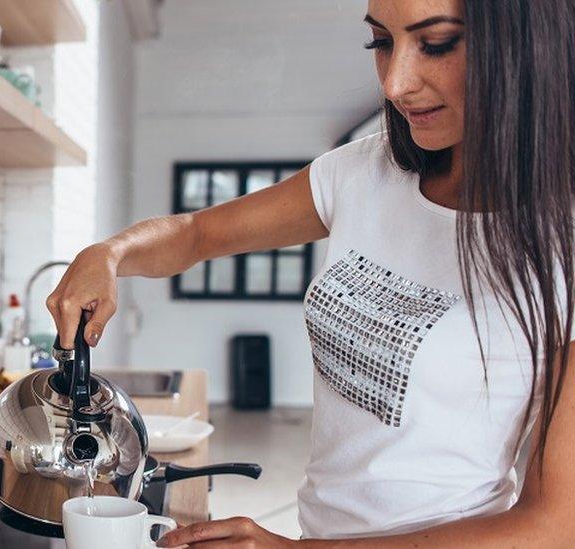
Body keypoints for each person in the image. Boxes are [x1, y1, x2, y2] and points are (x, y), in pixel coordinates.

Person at [46, 0, 575, 546]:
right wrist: (108, 253)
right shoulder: (365, 172)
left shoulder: (564, 241)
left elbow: (554, 524)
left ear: (528, 48)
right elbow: (197, 234)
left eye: (436, 44)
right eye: (381, 43)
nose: (395, 84)